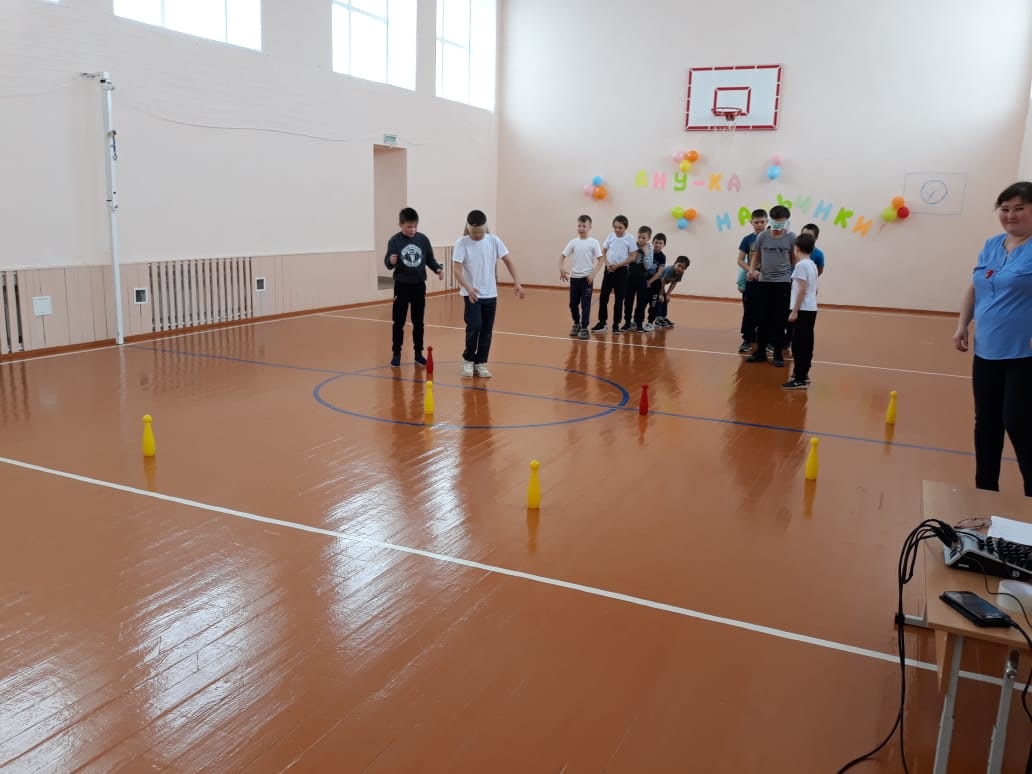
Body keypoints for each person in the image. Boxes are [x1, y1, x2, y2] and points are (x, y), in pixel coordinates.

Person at [952, 181, 1032, 496]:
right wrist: (962, 324)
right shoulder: (992, 245)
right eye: (1005, 209)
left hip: (1023, 354)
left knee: (1018, 422)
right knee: (986, 422)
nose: (1011, 215)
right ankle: (985, 492)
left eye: (1020, 208)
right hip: (986, 350)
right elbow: (975, 286)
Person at [452, 209, 525, 378]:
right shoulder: (462, 243)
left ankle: (480, 362)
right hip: (471, 294)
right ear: (469, 229)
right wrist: (468, 288)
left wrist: (517, 282)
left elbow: (508, 261)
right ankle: (468, 360)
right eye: (474, 233)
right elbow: (457, 270)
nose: (477, 236)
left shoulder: (494, 241)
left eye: (480, 232)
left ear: (485, 228)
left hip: (490, 294)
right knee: (474, 326)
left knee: (487, 329)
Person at [383, 207, 443, 367]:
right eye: (409, 227)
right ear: (400, 225)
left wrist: (437, 269)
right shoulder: (394, 241)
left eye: (415, 226)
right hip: (401, 286)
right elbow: (388, 264)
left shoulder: (422, 239)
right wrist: (391, 261)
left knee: (418, 322)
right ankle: (396, 353)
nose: (412, 230)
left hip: (418, 286)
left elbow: (429, 258)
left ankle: (418, 354)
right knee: (398, 322)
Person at [746, 204, 796, 367]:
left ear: (786, 221)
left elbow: (794, 258)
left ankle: (778, 354)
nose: (778, 225)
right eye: (775, 221)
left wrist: (791, 276)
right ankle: (760, 352)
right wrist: (752, 270)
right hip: (764, 282)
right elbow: (756, 255)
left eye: (781, 222)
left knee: (779, 320)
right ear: (771, 220)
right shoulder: (762, 236)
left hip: (783, 283)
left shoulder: (791, 238)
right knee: (762, 318)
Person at [782, 233, 819, 389]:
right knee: (806, 342)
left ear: (796, 249)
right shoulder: (812, 264)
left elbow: (801, 289)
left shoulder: (801, 266)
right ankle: (802, 374)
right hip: (811, 308)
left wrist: (794, 311)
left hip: (803, 309)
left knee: (799, 344)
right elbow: (814, 289)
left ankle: (800, 378)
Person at [559, 214, 603, 340]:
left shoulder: (593, 242)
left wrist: (593, 274)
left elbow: (601, 260)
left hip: (587, 279)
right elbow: (562, 256)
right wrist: (561, 268)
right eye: (579, 226)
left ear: (589, 227)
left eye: (584, 226)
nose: (581, 228)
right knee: (573, 304)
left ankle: (584, 327)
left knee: (585, 304)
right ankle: (576, 323)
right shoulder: (573, 242)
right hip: (574, 278)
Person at [591, 215, 636, 335]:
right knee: (603, 297)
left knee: (619, 300)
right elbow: (603, 252)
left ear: (625, 227)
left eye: (620, 227)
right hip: (609, 271)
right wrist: (607, 264)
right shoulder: (610, 236)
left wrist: (618, 265)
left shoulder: (630, 238)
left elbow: (633, 257)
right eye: (615, 227)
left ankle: (616, 325)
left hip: (622, 272)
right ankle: (602, 322)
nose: (617, 230)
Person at [737, 209, 768, 353]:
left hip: (768, 281)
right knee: (749, 310)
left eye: (762, 222)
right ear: (751, 223)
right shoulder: (747, 239)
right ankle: (747, 339)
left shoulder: (771, 238)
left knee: (766, 311)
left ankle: (767, 340)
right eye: (756, 222)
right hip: (752, 280)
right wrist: (751, 271)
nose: (759, 225)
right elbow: (740, 260)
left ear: (767, 222)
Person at [622, 225, 654, 332]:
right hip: (630, 278)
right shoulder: (633, 245)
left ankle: (639, 323)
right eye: (639, 237)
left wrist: (646, 253)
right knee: (628, 301)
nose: (640, 239)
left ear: (648, 238)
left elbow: (648, 266)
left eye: (643, 238)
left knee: (641, 302)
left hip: (642, 278)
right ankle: (627, 322)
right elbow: (627, 260)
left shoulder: (649, 248)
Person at [647, 255, 690, 325]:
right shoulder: (670, 270)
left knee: (665, 300)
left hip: (661, 285)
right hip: (655, 284)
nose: (680, 269)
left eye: (683, 268)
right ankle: (658, 318)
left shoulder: (680, 273)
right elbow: (662, 282)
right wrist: (661, 294)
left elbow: (673, 283)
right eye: (679, 265)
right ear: (675, 263)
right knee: (659, 300)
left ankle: (663, 317)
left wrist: (668, 294)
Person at [645, 232, 668, 330]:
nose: (658, 245)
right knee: (641, 303)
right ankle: (637, 321)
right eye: (656, 242)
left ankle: (650, 322)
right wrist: (645, 281)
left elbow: (659, 272)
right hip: (645, 282)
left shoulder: (662, 257)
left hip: (655, 283)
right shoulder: (647, 252)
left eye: (660, 243)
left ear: (664, 245)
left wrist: (649, 282)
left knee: (653, 304)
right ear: (653, 242)